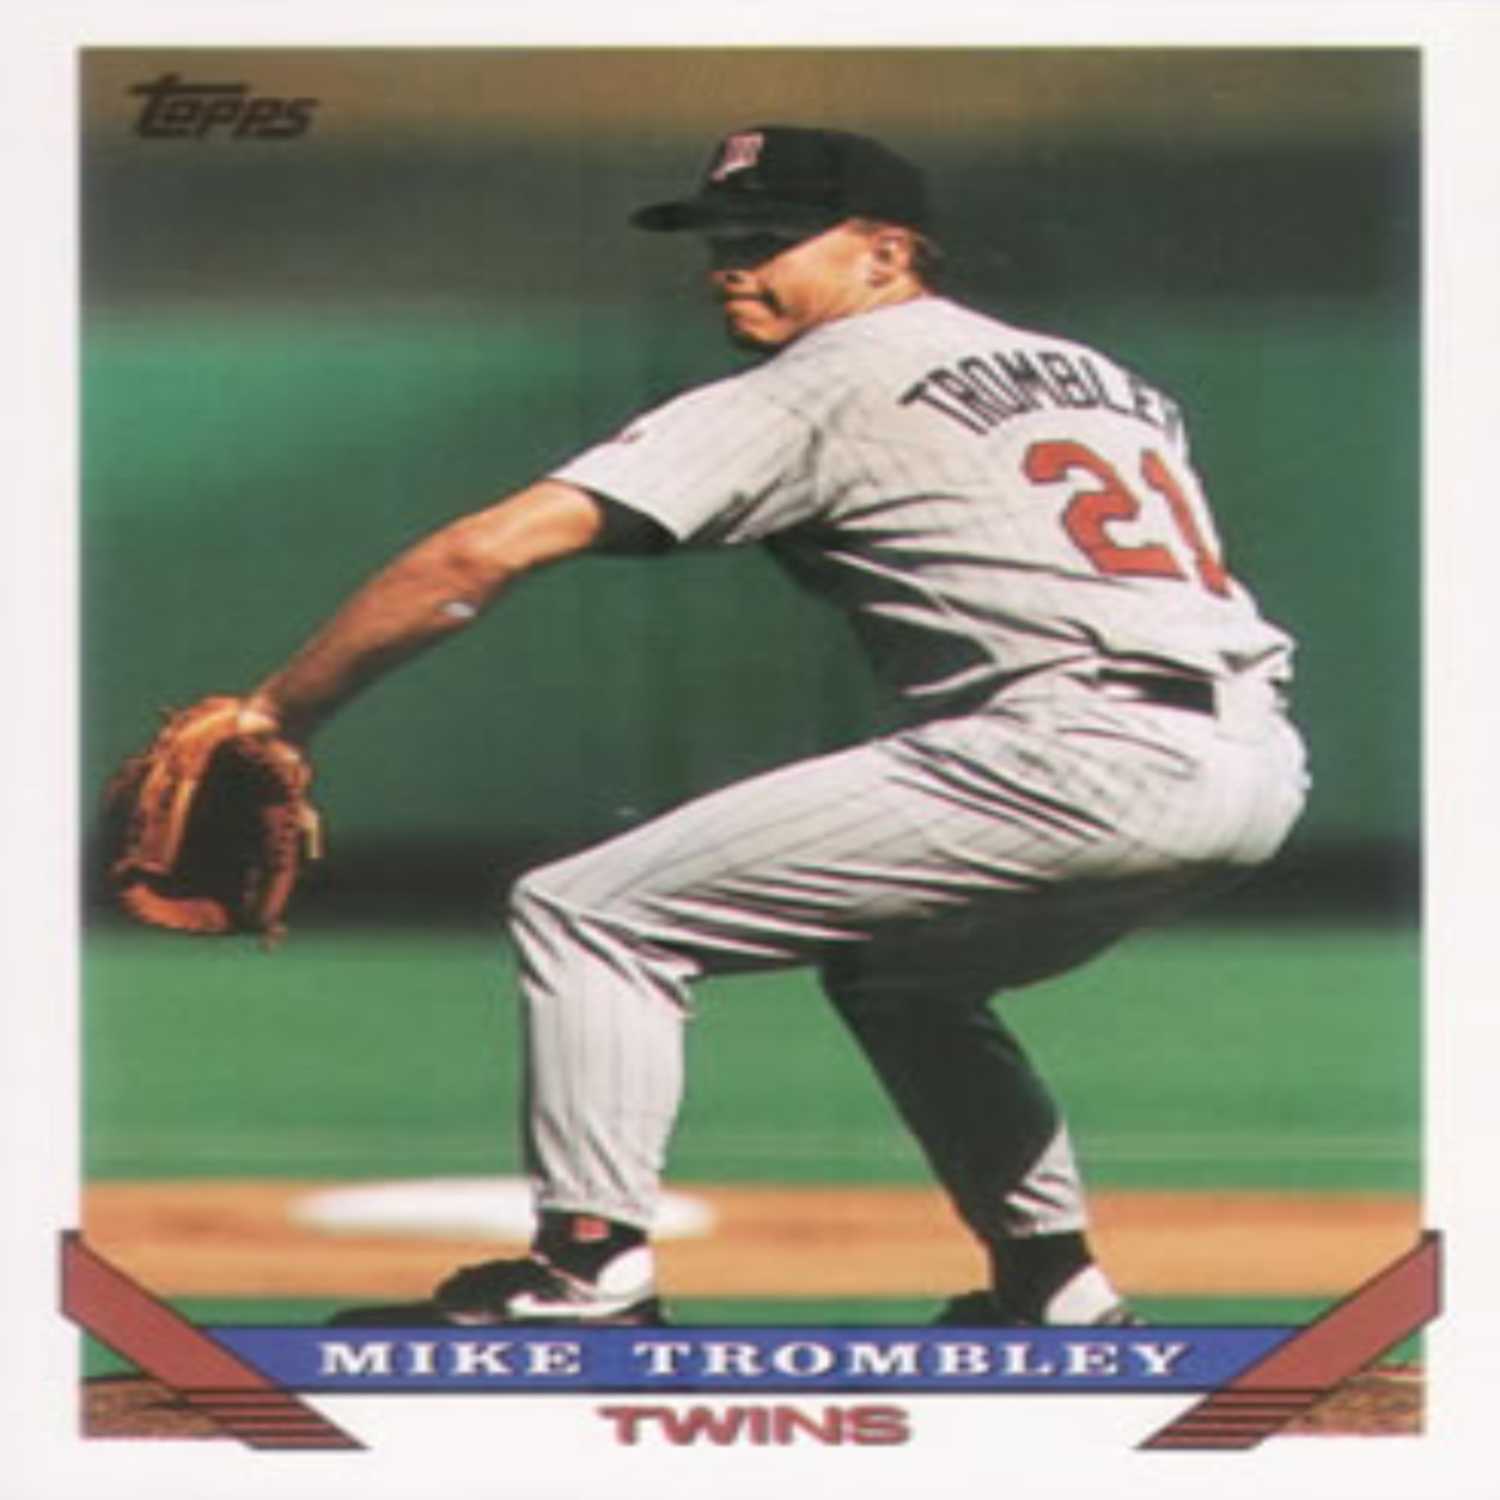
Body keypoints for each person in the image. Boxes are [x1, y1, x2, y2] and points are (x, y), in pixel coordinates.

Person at [243, 126, 1308, 1328]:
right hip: (1251, 765)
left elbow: (479, 555)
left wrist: (277, 713)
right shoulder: (1100, 376)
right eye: (718, 241)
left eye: (769, 239)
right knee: (900, 976)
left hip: (1068, 749)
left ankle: (589, 1272)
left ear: (887, 254)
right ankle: (1054, 1287)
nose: (730, 266)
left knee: (590, 911)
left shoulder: (822, 379)